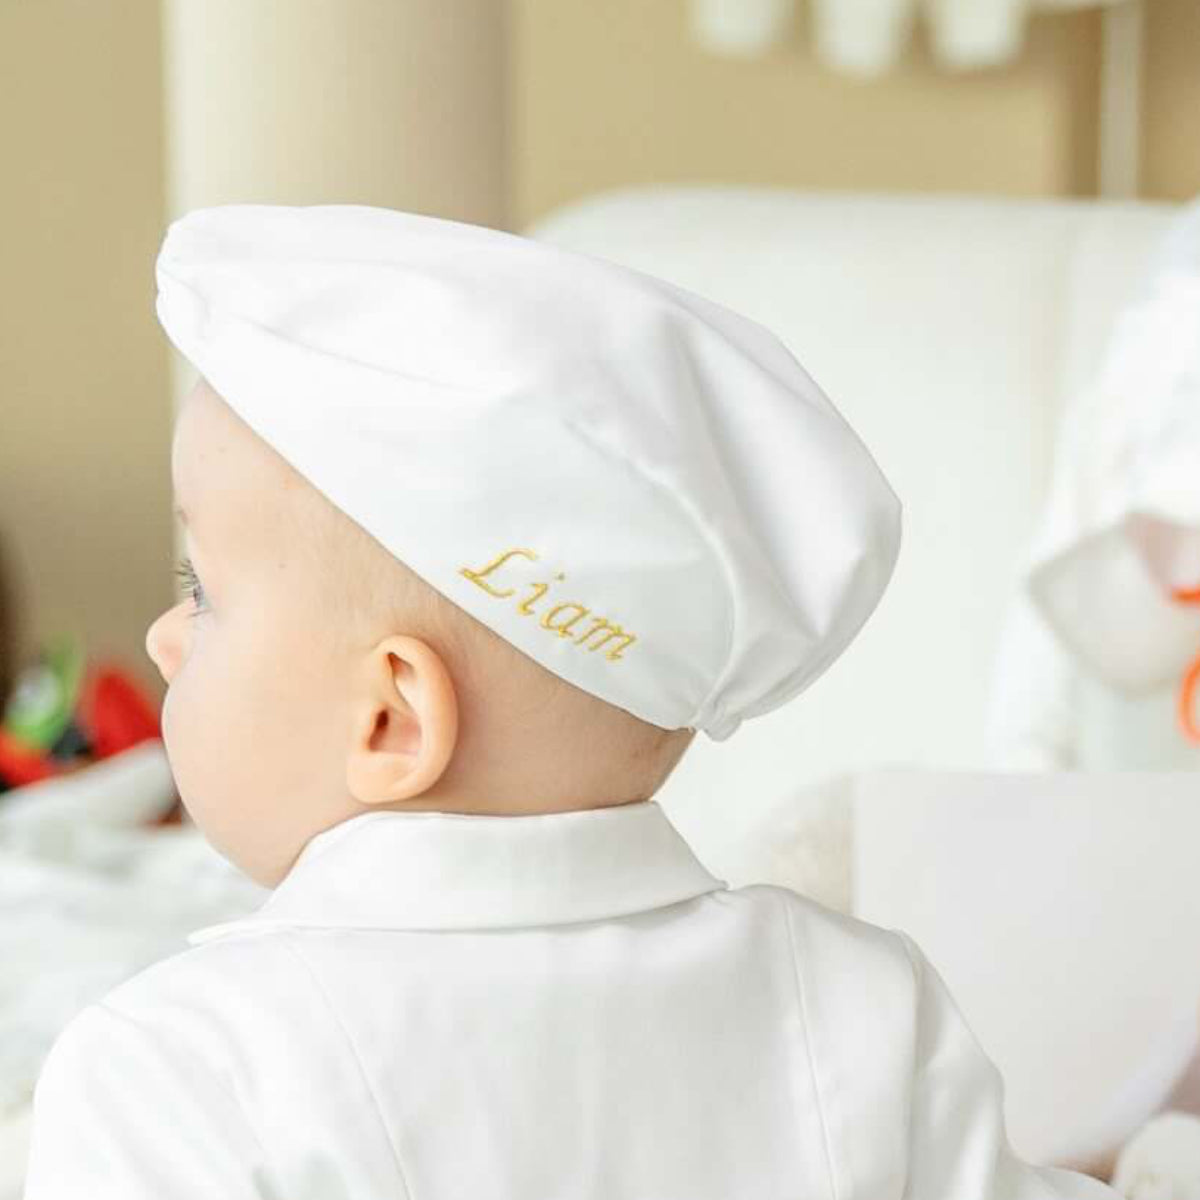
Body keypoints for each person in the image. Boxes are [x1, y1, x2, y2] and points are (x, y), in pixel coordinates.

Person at [22, 203, 1118, 1198]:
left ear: (392, 718)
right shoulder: (865, 1010)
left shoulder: (181, 1072)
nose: (165, 638)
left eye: (200, 592)